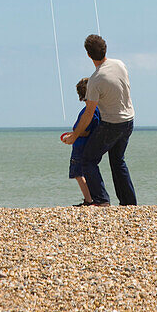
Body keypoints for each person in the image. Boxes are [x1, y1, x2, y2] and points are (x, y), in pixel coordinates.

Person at [62, 34, 136, 206]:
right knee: (118, 161)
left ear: (88, 55)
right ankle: (129, 204)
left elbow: (89, 113)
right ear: (105, 49)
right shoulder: (120, 64)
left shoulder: (95, 80)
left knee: (88, 160)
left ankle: (101, 200)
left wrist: (74, 136)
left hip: (112, 124)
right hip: (129, 120)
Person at [66, 78, 101, 206]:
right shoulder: (94, 110)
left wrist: (73, 136)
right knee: (83, 173)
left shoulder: (89, 111)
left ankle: (89, 199)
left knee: (78, 174)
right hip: (83, 144)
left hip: (81, 146)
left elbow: (86, 131)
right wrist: (74, 134)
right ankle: (90, 199)